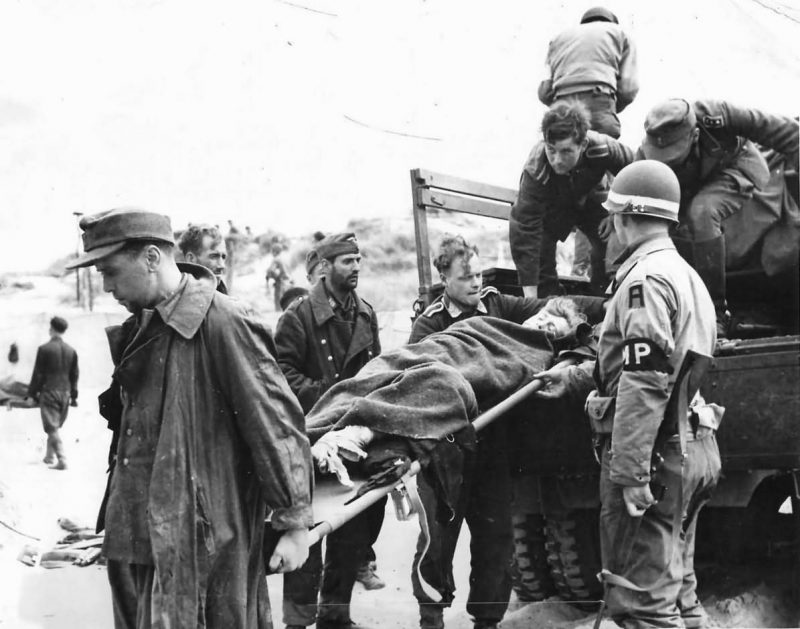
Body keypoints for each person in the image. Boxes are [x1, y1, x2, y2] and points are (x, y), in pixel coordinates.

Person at [65, 208, 313, 629]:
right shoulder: (141, 328)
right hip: (137, 542)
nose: (106, 286)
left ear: (150, 258)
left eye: (110, 271)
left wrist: (294, 524)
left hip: (203, 547)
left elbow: (276, 426)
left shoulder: (224, 322)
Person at [535, 161, 722, 628]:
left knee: (641, 605)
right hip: (690, 446)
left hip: (655, 457)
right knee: (678, 593)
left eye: (613, 215)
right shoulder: (685, 274)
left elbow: (645, 380)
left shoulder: (643, 281)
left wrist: (632, 472)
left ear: (626, 217)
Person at [408, 235, 605, 629]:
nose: (475, 282)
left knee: (496, 543)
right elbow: (417, 380)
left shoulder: (501, 305)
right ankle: (431, 619)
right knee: (437, 543)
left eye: (478, 273)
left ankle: (487, 621)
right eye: (465, 277)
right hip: (447, 453)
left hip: (494, 449)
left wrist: (608, 304)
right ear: (443, 276)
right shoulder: (429, 324)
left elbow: (554, 308)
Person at [275, 232, 383, 629]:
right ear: (326, 267)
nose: (356, 267)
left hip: (354, 438)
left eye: (358, 259)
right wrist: (331, 395)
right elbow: (280, 374)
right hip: (311, 437)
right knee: (308, 532)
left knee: (352, 532)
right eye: (347, 261)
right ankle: (298, 623)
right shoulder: (298, 316)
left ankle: (335, 618)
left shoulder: (366, 313)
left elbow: (378, 371)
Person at [638, 98, 799, 336]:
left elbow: (789, 133)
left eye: (672, 154)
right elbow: (632, 192)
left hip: (736, 167)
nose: (666, 159)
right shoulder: (646, 153)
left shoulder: (718, 115)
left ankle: (715, 311)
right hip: (695, 184)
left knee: (703, 212)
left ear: (694, 135)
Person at [509, 100, 633, 299]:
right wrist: (530, 299)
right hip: (555, 210)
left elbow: (637, 172)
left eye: (566, 151)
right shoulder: (536, 171)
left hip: (592, 202)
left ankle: (605, 300)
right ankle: (546, 302)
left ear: (582, 144)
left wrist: (616, 211)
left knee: (615, 236)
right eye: (551, 150)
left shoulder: (602, 147)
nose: (557, 160)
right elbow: (525, 231)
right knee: (541, 248)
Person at [538, 6, 639, 139]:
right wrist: (610, 107)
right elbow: (628, 88)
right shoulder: (619, 33)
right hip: (599, 99)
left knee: (562, 153)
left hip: (561, 103)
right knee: (603, 152)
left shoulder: (558, 39)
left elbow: (544, 92)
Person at [28, 316, 79, 471]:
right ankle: (49, 456)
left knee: (52, 427)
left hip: (49, 391)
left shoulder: (44, 349)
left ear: (52, 329)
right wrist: (74, 396)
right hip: (65, 393)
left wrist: (31, 394)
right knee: (55, 426)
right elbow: (74, 375)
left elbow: (38, 374)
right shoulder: (71, 350)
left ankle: (62, 459)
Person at [267, 244, 292, 311]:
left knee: (279, 307)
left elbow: (271, 270)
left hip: (281, 283)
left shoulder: (276, 259)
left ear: (274, 251)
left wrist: (276, 278)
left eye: (272, 251)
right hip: (289, 282)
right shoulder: (284, 258)